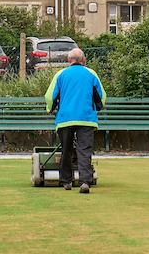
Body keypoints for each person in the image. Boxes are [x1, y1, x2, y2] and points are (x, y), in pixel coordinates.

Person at [44, 48, 106, 194]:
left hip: (65, 118)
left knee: (66, 149)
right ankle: (85, 181)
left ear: (68, 60)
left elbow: (50, 96)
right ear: (83, 60)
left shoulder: (61, 74)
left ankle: (66, 181)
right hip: (86, 118)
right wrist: (97, 107)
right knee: (84, 151)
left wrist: (50, 108)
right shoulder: (91, 74)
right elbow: (101, 96)